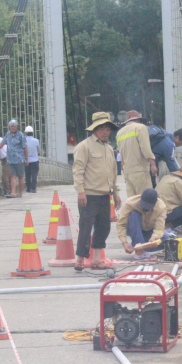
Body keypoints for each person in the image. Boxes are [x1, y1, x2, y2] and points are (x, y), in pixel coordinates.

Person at [72, 112, 121, 270]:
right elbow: (78, 170)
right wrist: (80, 191)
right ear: (95, 129)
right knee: (85, 227)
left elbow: (113, 172)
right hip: (89, 195)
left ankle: (97, 259)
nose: (106, 132)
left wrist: (116, 192)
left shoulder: (109, 149)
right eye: (102, 128)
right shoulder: (84, 146)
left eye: (108, 129)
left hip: (105, 195)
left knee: (104, 227)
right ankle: (80, 259)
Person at [117, 188, 167, 261]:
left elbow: (159, 228)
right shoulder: (130, 203)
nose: (145, 209)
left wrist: (154, 238)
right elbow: (121, 224)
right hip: (134, 228)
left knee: (167, 240)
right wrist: (124, 243)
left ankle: (139, 245)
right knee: (134, 214)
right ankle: (140, 250)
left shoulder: (161, 207)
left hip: (149, 231)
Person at [116, 110, 156, 196]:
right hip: (140, 170)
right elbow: (146, 149)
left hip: (127, 172)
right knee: (145, 199)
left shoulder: (119, 133)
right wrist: (153, 164)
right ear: (138, 120)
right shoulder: (140, 127)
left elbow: (121, 152)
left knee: (132, 201)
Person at [0, 119, 28, 198]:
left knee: (20, 176)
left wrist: (26, 159)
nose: (13, 128)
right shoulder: (8, 134)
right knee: (12, 176)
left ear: (17, 127)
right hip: (10, 159)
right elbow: (2, 143)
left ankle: (20, 192)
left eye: (14, 126)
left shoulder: (21, 135)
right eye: (11, 126)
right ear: (9, 127)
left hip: (20, 159)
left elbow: (25, 148)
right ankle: (13, 193)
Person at [24, 126, 40, 193]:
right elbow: (38, 150)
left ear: (26, 133)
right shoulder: (36, 141)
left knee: (27, 175)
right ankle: (33, 188)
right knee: (34, 174)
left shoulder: (23, 140)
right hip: (35, 160)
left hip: (26, 160)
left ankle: (28, 188)